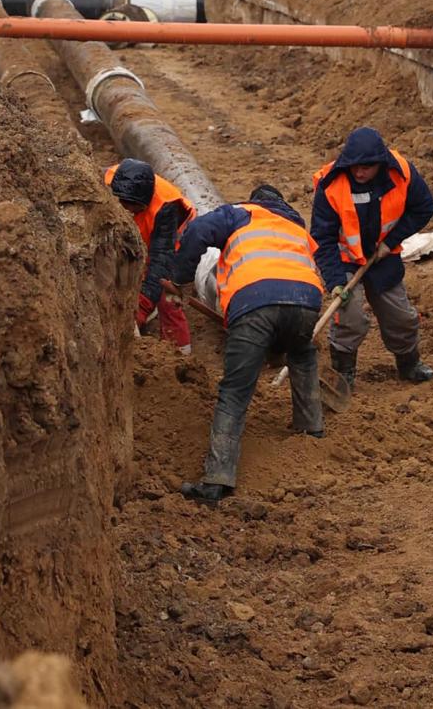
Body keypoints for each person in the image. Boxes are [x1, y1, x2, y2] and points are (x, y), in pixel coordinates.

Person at [170, 184, 325, 507]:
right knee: (302, 355)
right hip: (307, 301)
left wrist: (181, 278)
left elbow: (197, 230)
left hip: (254, 301)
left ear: (256, 202)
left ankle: (217, 479)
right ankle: (312, 430)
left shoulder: (240, 213)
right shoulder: (295, 226)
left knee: (236, 389)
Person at [311, 126, 433, 391]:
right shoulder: (331, 185)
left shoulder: (401, 173)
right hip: (345, 261)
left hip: (383, 257)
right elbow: (322, 239)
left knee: (400, 315)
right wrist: (334, 281)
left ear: (380, 162)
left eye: (366, 167)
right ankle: (343, 373)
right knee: (349, 316)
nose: (359, 172)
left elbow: (424, 207)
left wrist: (390, 242)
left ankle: (409, 363)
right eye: (354, 166)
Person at [104, 158, 195, 354]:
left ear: (146, 201)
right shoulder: (103, 184)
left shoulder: (165, 206)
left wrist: (142, 305)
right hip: (130, 240)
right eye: (123, 204)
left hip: (169, 244)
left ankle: (179, 355)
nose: (127, 211)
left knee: (167, 295)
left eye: (133, 207)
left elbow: (161, 258)